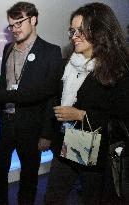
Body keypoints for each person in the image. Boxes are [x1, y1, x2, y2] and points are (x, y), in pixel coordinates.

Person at [44, 2, 129, 205]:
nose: (74, 36)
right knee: (52, 198)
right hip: (67, 143)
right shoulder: (68, 65)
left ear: (100, 30)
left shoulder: (119, 70)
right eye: (72, 31)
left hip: (99, 153)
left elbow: (122, 118)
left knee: (93, 199)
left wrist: (81, 115)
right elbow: (50, 98)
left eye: (81, 30)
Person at [0, 2, 62, 205]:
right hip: (5, 124)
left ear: (33, 19)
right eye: (11, 25)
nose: (15, 29)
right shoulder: (7, 49)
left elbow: (50, 95)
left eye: (19, 23)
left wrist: (46, 133)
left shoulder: (51, 52)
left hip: (32, 127)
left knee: (28, 176)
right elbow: (5, 83)